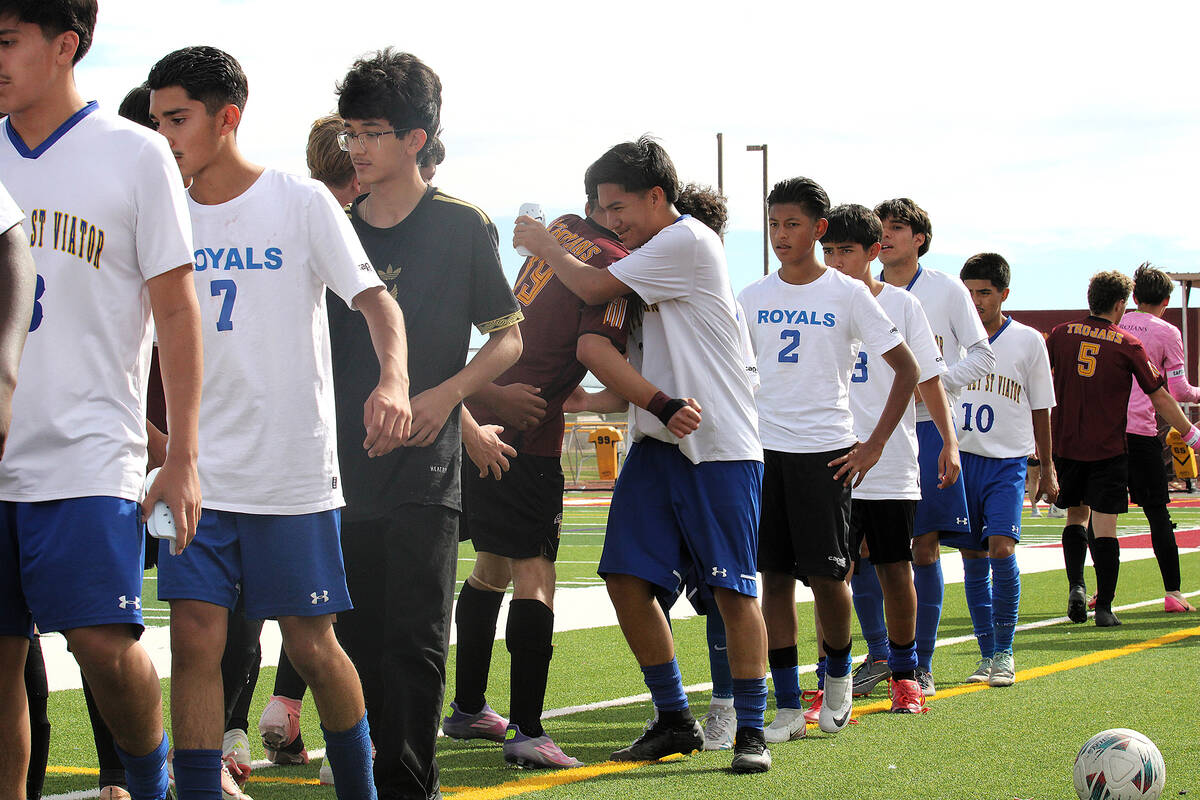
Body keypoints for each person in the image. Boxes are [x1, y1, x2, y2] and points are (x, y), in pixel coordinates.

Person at [147, 45, 411, 800]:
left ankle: (359, 788)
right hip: (196, 473)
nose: (165, 135)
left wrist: (393, 380)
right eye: (158, 119)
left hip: (291, 470)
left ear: (227, 118)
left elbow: (375, 302)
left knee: (312, 643)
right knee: (195, 638)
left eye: (178, 118)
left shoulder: (298, 200)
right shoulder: (154, 211)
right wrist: (163, 449)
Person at [515, 136, 770, 773]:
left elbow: (592, 283)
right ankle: (675, 717)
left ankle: (752, 731)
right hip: (659, 444)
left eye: (617, 206)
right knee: (625, 579)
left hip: (719, 448)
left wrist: (549, 244)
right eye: (601, 208)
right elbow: (638, 365)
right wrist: (583, 403)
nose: (609, 220)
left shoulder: (685, 242)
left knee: (733, 593)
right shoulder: (651, 258)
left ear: (657, 197)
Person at [0, 3, 204, 800]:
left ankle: (150, 782)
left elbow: (178, 312)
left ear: (65, 44)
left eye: (6, 42)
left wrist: (182, 455)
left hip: (88, 451)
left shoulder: (136, 153)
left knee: (101, 643)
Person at [331, 49, 523, 800]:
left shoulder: (461, 225)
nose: (357, 148)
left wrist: (446, 402)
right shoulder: (333, 227)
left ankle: (411, 787)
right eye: (350, 132)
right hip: (341, 470)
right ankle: (370, 775)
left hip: (427, 465)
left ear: (415, 138)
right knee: (354, 639)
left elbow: (509, 336)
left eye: (372, 132)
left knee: (413, 640)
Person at [449, 176, 635, 769]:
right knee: (536, 572)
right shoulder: (616, 260)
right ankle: (527, 729)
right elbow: (588, 347)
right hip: (525, 428)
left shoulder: (558, 233)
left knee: (490, 567)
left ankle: (468, 707)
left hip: (483, 412)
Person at [256, 113, 365, 778]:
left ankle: (280, 707)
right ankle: (351, 746)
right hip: (339, 438)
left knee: (287, 605)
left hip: (271, 432)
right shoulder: (338, 222)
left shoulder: (278, 212)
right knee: (340, 602)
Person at [851, 198, 995, 698]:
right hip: (860, 429)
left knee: (922, 548)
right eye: (881, 229)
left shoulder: (942, 291)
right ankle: (876, 653)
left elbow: (982, 355)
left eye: (898, 228)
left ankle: (921, 662)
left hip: (925, 427)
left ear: (920, 239)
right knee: (860, 552)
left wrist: (935, 381)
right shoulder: (846, 290)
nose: (887, 236)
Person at [819, 202, 957, 716]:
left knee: (897, 569)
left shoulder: (902, 306)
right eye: (827, 250)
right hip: (829, 459)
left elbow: (927, 377)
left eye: (845, 251)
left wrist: (949, 440)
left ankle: (906, 674)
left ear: (873, 252)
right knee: (831, 575)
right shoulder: (815, 302)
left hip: (891, 459)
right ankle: (829, 677)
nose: (834, 261)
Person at [1047, 270, 1198, 627]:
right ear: (1120, 304)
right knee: (1110, 525)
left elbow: (1038, 377)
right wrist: (1191, 435)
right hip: (1112, 445)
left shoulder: (1061, 334)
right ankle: (1106, 606)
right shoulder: (1126, 342)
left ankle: (1077, 585)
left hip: (1068, 443)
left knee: (1074, 516)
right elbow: (1162, 396)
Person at [955, 253, 1057, 686]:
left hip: (1007, 462)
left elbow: (1042, 408)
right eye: (969, 292)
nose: (976, 301)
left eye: (985, 293)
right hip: (961, 459)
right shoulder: (952, 338)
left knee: (1001, 548)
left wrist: (1047, 466)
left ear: (1004, 294)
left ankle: (1005, 650)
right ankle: (985, 653)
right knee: (972, 557)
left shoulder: (1029, 340)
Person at [1116, 263, 1197, 613]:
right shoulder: (1166, 331)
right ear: (1165, 300)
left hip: (1105, 432)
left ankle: (1095, 593)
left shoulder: (1114, 323)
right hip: (1142, 431)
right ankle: (1173, 592)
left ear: (1133, 297)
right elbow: (1177, 389)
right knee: (1157, 515)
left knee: (1096, 515)